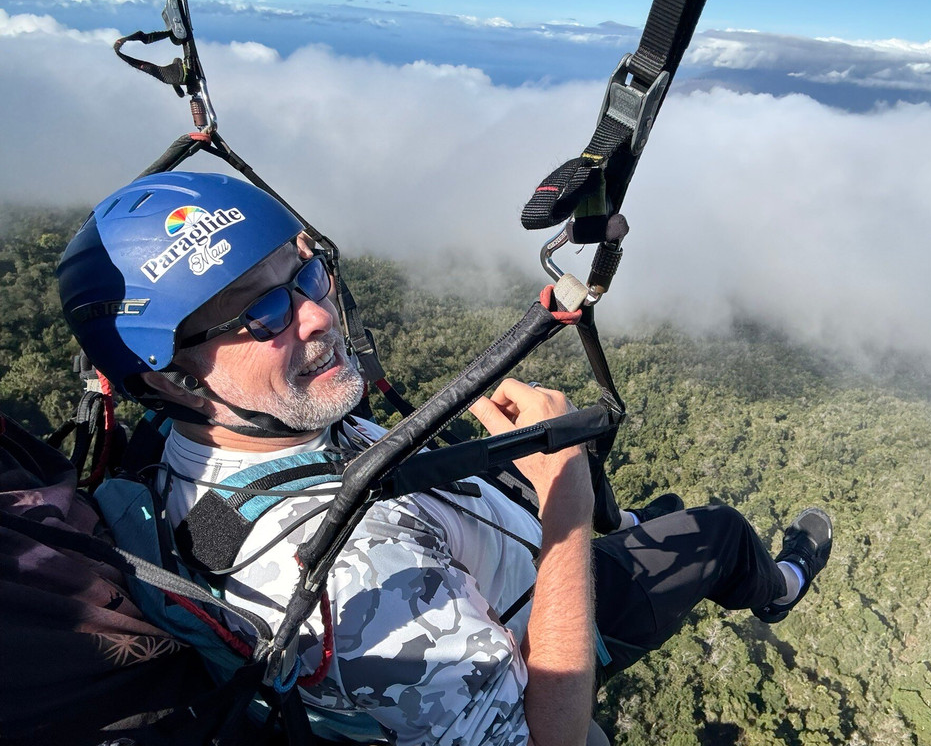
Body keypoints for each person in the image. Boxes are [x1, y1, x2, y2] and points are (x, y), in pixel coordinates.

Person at [57, 171, 833, 746]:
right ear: (165, 376)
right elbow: (544, 739)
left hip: (483, 558)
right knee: (719, 534)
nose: (319, 315)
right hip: (542, 622)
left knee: (610, 504)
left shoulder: (192, 448)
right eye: (259, 314)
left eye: (304, 273)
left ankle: (626, 526)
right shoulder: (364, 586)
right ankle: (777, 589)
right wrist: (563, 504)